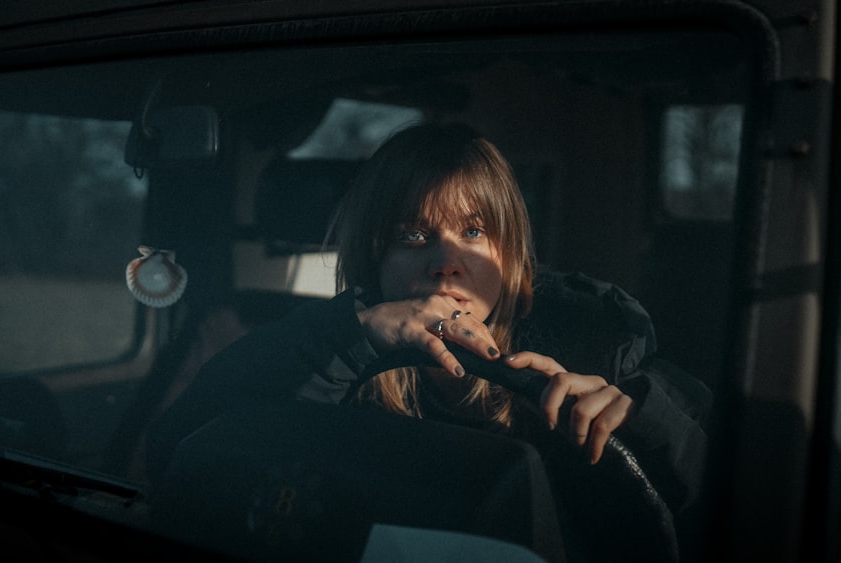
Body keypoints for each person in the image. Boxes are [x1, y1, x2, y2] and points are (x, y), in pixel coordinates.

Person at [146, 122, 710, 561]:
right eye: (413, 236)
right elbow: (185, 454)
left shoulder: (599, 346)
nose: (446, 265)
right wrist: (348, 341)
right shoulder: (336, 353)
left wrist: (639, 418)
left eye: (473, 232)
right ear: (376, 262)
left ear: (509, 257)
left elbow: (726, 498)